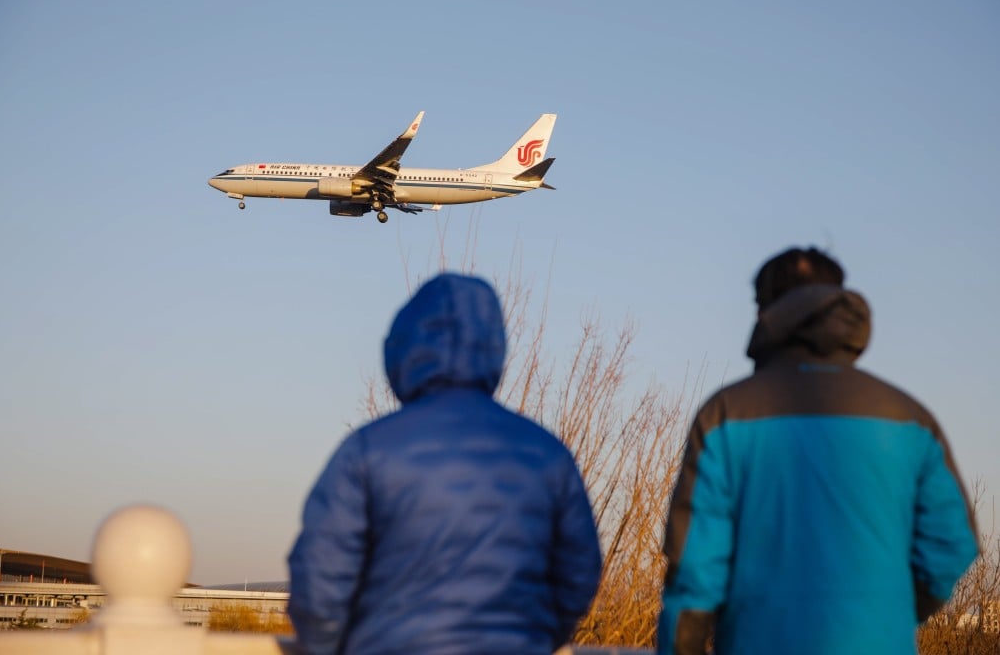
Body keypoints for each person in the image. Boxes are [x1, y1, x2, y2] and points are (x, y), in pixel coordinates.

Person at [656, 247, 979, 655]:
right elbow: (952, 543)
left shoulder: (726, 414)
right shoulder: (910, 418)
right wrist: (887, 611)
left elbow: (695, 572)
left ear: (770, 312)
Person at [288, 273, 602, 655]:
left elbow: (320, 579)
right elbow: (579, 573)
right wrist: (534, 637)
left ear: (402, 349)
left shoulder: (366, 449)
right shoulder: (549, 454)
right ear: (494, 348)